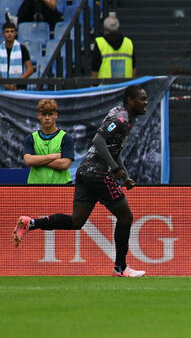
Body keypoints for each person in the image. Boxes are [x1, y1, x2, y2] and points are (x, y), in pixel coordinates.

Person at [11, 85, 149, 278]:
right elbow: (99, 141)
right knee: (125, 217)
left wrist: (124, 175)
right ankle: (120, 267)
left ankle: (31, 223)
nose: (146, 102)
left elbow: (112, 149)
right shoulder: (121, 118)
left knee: (77, 221)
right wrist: (115, 170)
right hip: (97, 173)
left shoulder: (122, 116)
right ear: (130, 100)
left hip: (85, 172)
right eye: (142, 99)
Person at [22, 98, 74, 184]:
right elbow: (28, 161)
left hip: (61, 188)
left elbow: (64, 164)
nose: (47, 118)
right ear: (38, 115)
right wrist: (54, 156)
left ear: (56, 115)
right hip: (36, 188)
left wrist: (37, 161)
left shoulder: (66, 138)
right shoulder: (30, 138)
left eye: (50, 114)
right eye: (44, 114)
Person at [0, 21, 34, 90]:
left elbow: (30, 69)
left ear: (15, 33)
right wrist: (5, 84)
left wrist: (17, 82)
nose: (9, 34)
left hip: (19, 88)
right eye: (7, 31)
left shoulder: (22, 48)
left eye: (11, 31)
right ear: (3, 33)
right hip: (2, 89)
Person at [91, 14, 136, 79]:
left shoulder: (100, 42)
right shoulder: (128, 42)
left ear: (104, 28)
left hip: (106, 86)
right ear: (118, 27)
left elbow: (94, 66)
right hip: (125, 85)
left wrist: (94, 84)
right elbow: (133, 67)